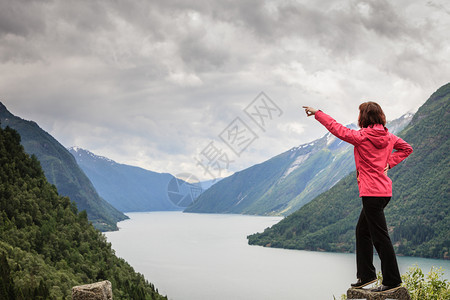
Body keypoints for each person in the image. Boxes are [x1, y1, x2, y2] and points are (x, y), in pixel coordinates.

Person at [302, 102, 413, 293]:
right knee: (362, 231)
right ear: (380, 116)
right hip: (384, 192)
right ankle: (366, 275)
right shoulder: (389, 136)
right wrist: (389, 163)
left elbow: (336, 128)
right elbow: (407, 148)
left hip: (371, 193)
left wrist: (318, 113)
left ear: (364, 117)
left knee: (380, 237)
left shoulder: (361, 137)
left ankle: (392, 280)